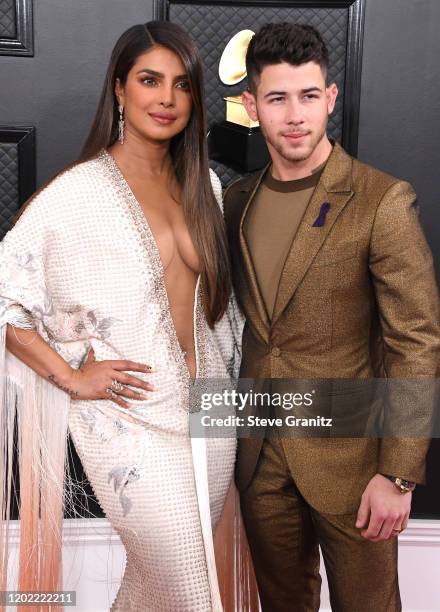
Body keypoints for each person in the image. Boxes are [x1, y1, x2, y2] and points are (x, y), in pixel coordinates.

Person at [0, 21, 244, 611]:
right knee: (187, 584)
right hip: (127, 424)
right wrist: (72, 376)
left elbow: (223, 313)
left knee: (155, 590)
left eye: (182, 85)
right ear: (118, 89)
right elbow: (6, 298)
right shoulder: (76, 194)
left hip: (210, 421)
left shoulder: (203, 186)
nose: (166, 99)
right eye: (149, 80)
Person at [223, 22, 440, 612]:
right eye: (277, 98)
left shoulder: (380, 200)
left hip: (355, 462)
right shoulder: (236, 201)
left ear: (331, 98)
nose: (295, 115)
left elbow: (415, 343)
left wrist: (398, 473)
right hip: (260, 450)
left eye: (309, 96)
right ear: (251, 106)